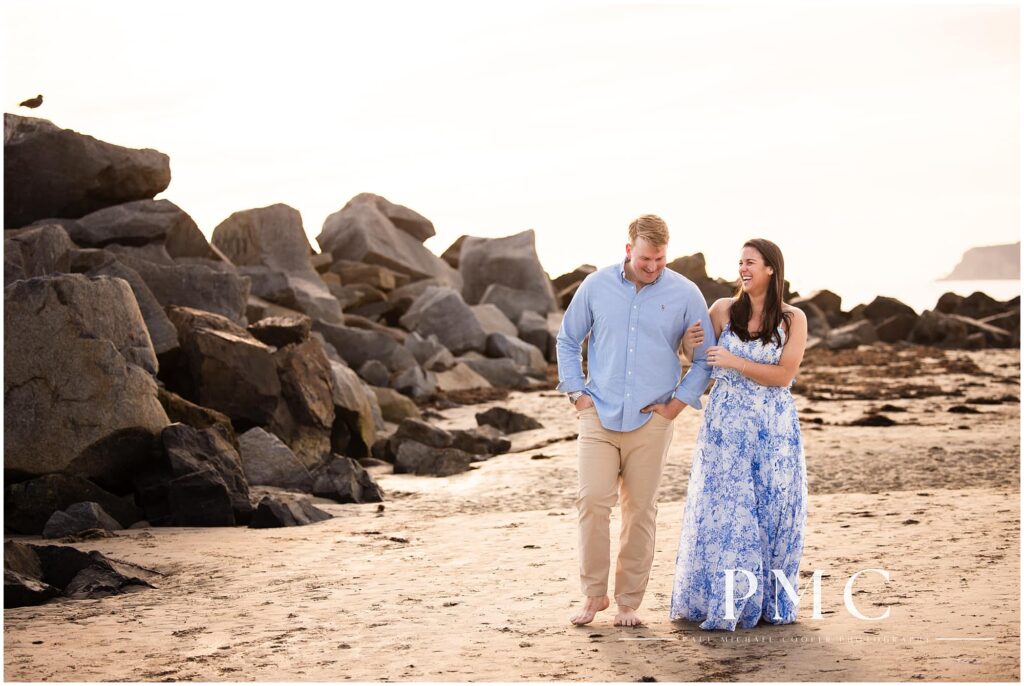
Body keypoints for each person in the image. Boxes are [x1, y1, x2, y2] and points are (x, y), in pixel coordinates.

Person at [556, 214, 715, 627]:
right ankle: (594, 596)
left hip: (652, 419)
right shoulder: (595, 286)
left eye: (660, 259)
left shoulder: (685, 293)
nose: (652, 267)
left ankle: (628, 602)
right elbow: (569, 339)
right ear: (629, 250)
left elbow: (704, 359)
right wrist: (577, 394)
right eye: (646, 258)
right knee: (592, 501)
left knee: (640, 510)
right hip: (598, 415)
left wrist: (677, 405)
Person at [669, 238, 809, 631]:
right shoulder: (722, 310)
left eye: (751, 262)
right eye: (740, 263)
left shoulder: (792, 319)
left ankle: (767, 603)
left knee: (772, 511)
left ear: (770, 269)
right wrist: (687, 344)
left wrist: (736, 361)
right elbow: (700, 363)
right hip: (726, 428)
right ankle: (729, 604)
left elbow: (783, 376)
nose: (743, 269)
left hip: (774, 430)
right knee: (729, 513)